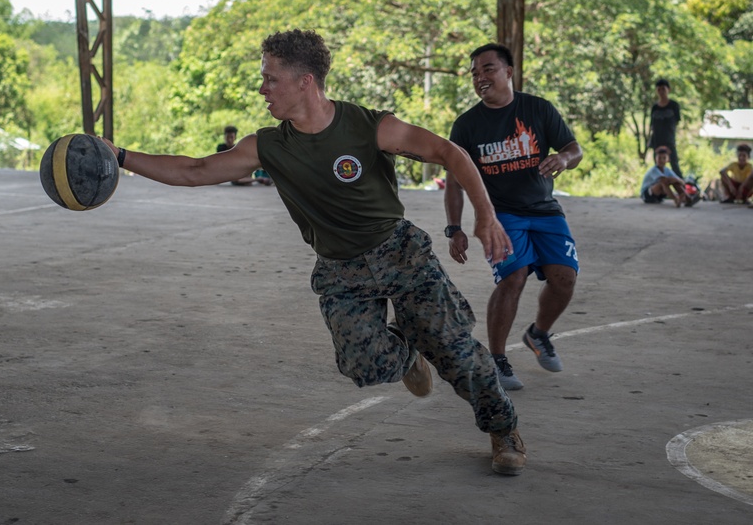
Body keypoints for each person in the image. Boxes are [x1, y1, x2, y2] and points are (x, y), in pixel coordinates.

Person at [106, 29, 527, 475]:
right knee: (364, 363)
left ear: (305, 81)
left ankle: (503, 430)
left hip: (402, 256)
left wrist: (486, 216)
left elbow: (449, 152)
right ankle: (408, 356)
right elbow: (195, 170)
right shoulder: (268, 145)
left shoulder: (369, 126)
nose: (262, 88)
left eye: (270, 79)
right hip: (341, 270)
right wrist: (121, 156)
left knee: (458, 354)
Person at [445, 43, 583, 393]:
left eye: (488, 69)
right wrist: (455, 228)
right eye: (475, 72)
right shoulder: (467, 126)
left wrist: (564, 160)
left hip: (545, 210)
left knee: (564, 278)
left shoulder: (537, 109)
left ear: (509, 71)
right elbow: (454, 184)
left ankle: (538, 334)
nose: (480, 77)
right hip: (500, 214)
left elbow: (574, 148)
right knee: (514, 277)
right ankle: (497, 358)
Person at [649, 78, 683, 177]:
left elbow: (677, 122)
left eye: (663, 89)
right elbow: (652, 125)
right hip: (657, 141)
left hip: (669, 140)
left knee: (674, 165)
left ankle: (682, 189)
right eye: (659, 89)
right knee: (658, 167)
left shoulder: (674, 105)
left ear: (668, 90)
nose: (661, 92)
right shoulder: (654, 107)